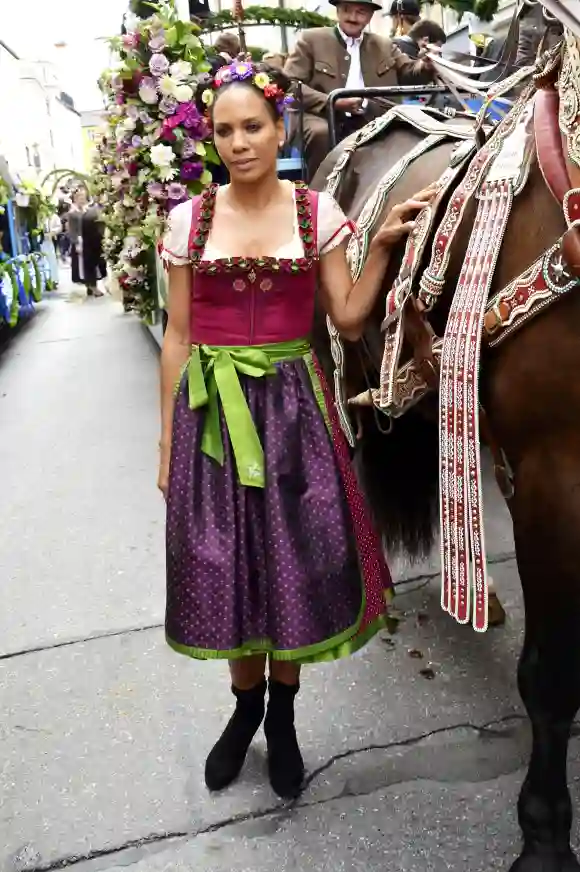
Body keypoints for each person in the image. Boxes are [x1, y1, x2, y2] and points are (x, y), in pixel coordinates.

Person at [159, 61, 435, 800]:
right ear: (211, 139)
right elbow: (179, 334)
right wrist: (166, 447)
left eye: (253, 126)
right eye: (225, 130)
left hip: (293, 414)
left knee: (291, 567)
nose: (240, 142)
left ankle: (281, 716)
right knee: (225, 567)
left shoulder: (318, 214)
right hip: (211, 416)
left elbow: (345, 317)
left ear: (280, 129)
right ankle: (244, 709)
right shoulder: (192, 220)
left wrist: (378, 248)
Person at [283, 0, 435, 181]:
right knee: (321, 134)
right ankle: (320, 194)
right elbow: (290, 84)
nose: (352, 17)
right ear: (338, 11)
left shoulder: (384, 45)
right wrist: (332, 102)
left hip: (370, 118)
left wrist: (425, 64)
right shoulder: (311, 40)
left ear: (370, 16)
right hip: (320, 116)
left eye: (361, 12)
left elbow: (410, 73)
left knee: (409, 132)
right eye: (346, 10)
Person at [67, 188, 104, 298]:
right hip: (80, 241)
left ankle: (92, 285)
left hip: (91, 241)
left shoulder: (90, 210)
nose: (82, 200)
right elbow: (72, 229)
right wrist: (76, 243)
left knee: (93, 263)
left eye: (83, 197)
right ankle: (91, 286)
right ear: (75, 199)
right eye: (79, 197)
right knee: (84, 265)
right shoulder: (72, 214)